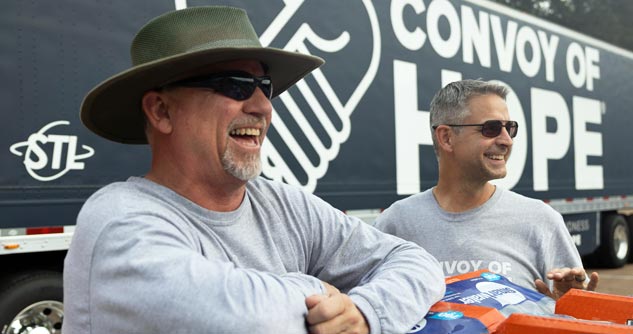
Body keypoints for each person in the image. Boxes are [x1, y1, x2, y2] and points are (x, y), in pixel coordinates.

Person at [62, 6, 445, 334]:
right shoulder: (117, 220)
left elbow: (416, 261)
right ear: (161, 111)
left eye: (266, 86)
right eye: (235, 85)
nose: (263, 107)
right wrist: (321, 291)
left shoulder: (283, 205)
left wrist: (365, 313)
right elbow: (235, 319)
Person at [374, 79, 599, 300]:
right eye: (491, 129)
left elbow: (577, 313)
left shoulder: (541, 221)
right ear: (447, 137)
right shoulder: (395, 223)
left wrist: (570, 307)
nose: (507, 140)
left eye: (510, 128)